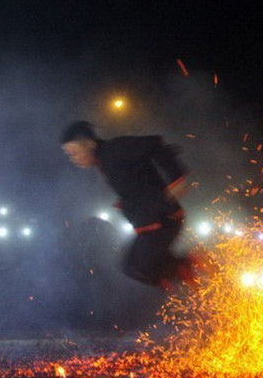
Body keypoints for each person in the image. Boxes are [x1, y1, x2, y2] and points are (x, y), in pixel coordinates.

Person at [60, 120, 195, 290]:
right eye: (69, 155)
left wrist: (176, 178)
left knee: (137, 267)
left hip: (163, 219)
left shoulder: (116, 149)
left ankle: (190, 267)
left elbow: (155, 144)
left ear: (88, 143)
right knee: (133, 268)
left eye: (73, 152)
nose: (73, 159)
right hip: (151, 222)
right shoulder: (104, 161)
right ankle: (190, 274)